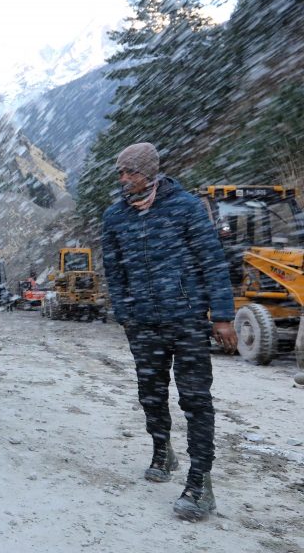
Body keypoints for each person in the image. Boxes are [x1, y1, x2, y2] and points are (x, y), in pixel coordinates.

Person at [100, 142, 237, 522]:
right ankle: (162, 449)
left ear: (152, 171)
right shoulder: (115, 217)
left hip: (187, 319)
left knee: (195, 400)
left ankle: (200, 482)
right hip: (142, 323)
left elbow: (213, 263)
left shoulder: (187, 208)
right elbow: (115, 273)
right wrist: (126, 314)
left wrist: (223, 316)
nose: (125, 179)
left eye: (132, 171)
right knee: (151, 394)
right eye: (120, 173)